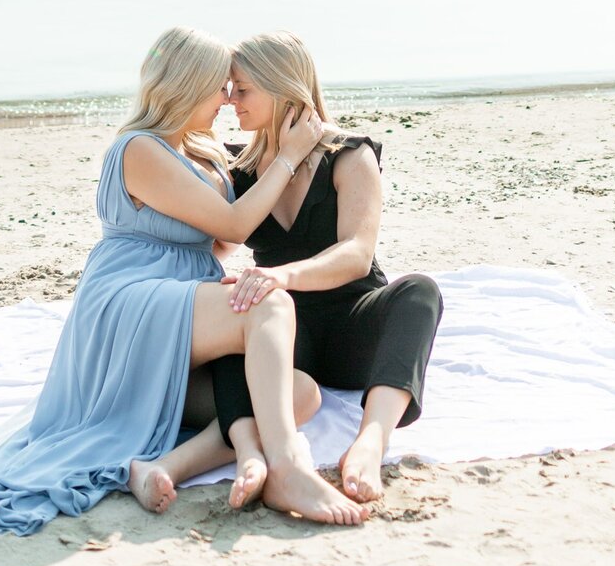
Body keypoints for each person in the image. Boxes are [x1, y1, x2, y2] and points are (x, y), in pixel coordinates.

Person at [0, 27, 365, 537]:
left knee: (298, 393)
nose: (227, 98)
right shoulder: (139, 149)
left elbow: (217, 243)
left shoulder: (204, 153)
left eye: (235, 89)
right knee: (271, 304)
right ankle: (288, 469)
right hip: (130, 297)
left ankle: (175, 466)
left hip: (177, 295)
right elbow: (236, 226)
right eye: (221, 87)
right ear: (189, 85)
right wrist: (287, 157)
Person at [184, 31, 443, 505]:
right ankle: (238, 448)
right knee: (235, 313)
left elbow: (356, 253)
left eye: (242, 89)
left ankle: (371, 440)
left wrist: (281, 274)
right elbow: (216, 245)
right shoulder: (241, 172)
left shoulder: (349, 154)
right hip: (286, 335)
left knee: (420, 292)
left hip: (354, 325)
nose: (230, 101)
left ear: (281, 87)